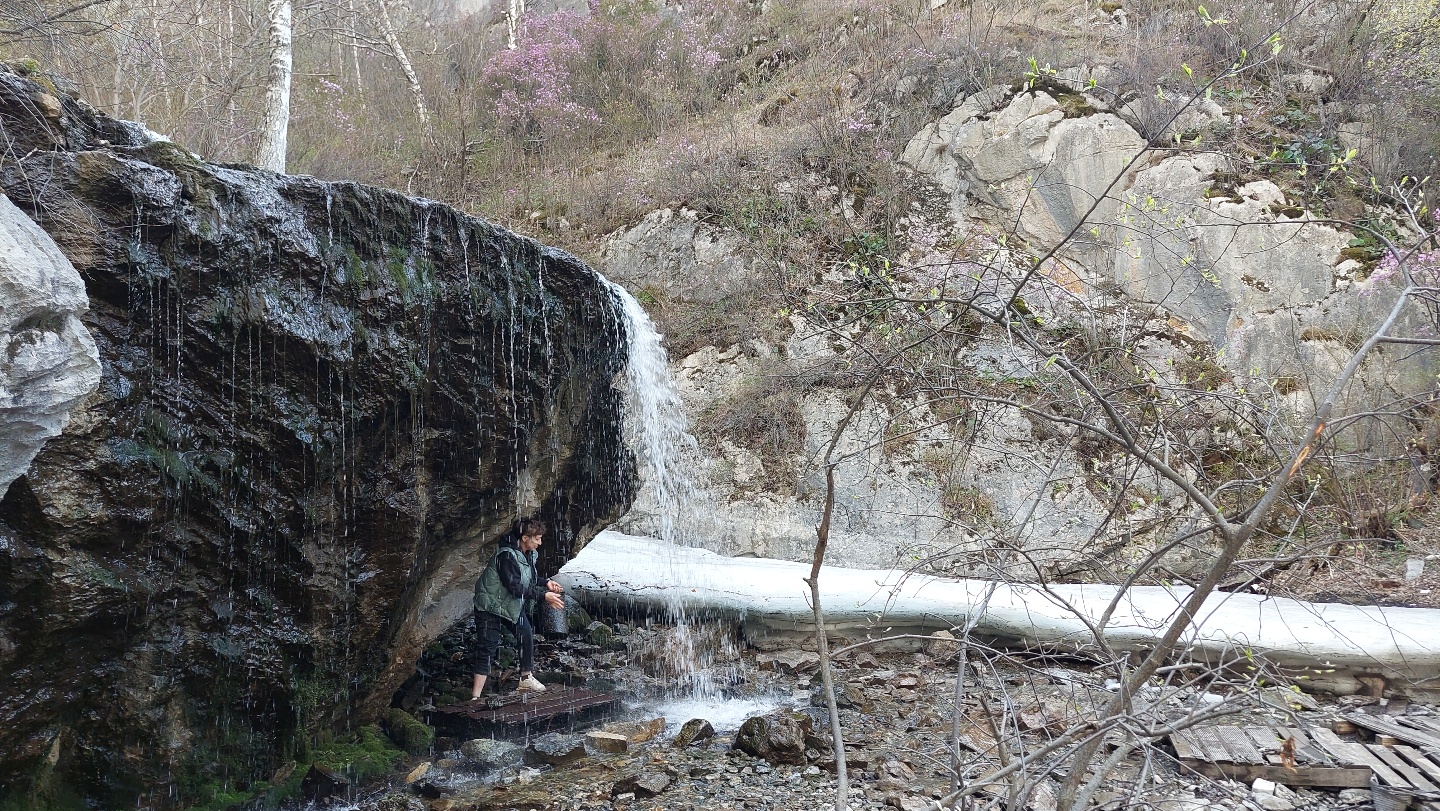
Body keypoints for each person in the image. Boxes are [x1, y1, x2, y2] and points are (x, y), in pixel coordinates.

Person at [471, 517, 565, 698]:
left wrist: (547, 583)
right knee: (487, 647)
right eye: (537, 538)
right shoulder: (506, 555)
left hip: (507, 605)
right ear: (524, 538)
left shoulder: (527, 554)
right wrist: (543, 596)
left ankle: (525, 678)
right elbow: (514, 587)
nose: (540, 542)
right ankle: (475, 697)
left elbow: (528, 579)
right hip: (489, 606)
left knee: (526, 633)